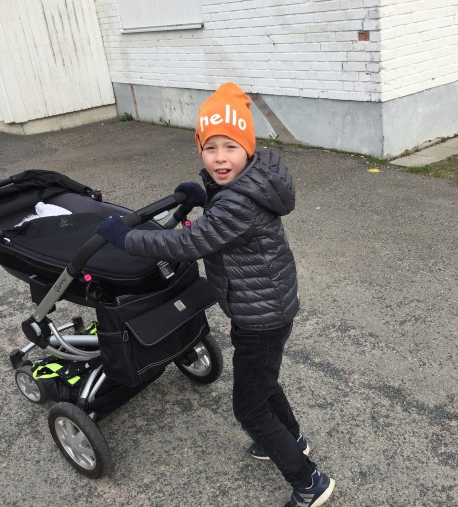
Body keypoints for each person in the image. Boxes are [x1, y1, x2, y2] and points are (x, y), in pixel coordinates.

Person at [96, 82, 335, 506]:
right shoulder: (250, 183)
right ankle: (292, 438)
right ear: (200, 149)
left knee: (249, 408)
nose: (220, 158)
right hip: (263, 307)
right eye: (210, 148)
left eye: (230, 147)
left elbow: (190, 242)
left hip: (261, 316)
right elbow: (219, 214)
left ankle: (309, 483)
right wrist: (203, 194)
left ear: (248, 148)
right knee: (262, 380)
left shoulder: (238, 204)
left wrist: (126, 238)